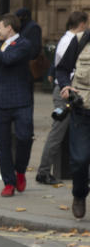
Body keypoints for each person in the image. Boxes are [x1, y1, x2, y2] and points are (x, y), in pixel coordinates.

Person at [0, 13, 34, 196]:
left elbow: (8, 59)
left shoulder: (23, 44)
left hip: (21, 100)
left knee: (24, 137)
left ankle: (20, 170)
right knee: (1, 145)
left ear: (9, 27)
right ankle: (9, 182)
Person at [36, 10, 88, 185]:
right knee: (57, 133)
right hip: (68, 91)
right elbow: (64, 66)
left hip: (67, 88)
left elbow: (57, 64)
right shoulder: (74, 40)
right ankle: (43, 171)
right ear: (81, 24)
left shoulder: (65, 39)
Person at [54, 17, 90, 217]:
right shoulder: (80, 40)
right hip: (82, 109)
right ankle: (79, 193)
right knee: (80, 159)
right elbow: (62, 69)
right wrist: (65, 85)